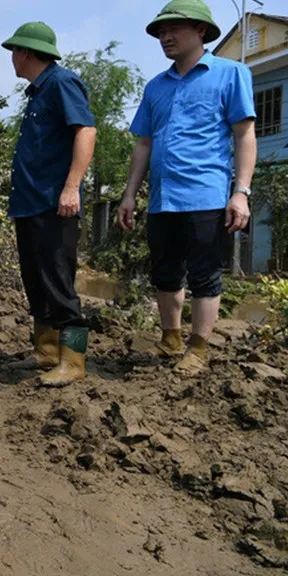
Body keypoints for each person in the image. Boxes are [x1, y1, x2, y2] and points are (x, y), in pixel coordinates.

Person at [117, 0, 256, 376]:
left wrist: (240, 191)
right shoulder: (156, 86)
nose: (166, 37)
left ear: (201, 31)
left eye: (174, 29)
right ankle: (171, 338)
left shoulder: (230, 73)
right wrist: (130, 194)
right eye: (161, 31)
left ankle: (198, 348)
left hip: (207, 193)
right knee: (164, 271)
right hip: (163, 197)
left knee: (204, 274)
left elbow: (244, 133)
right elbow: (143, 143)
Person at [1, 22, 97, 386]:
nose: (12, 58)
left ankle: (73, 360)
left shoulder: (61, 83)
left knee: (58, 281)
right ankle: (45, 351)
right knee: (35, 280)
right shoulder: (36, 93)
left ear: (25, 52)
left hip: (54, 204)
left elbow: (86, 131)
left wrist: (71, 187)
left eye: (14, 51)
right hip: (28, 204)